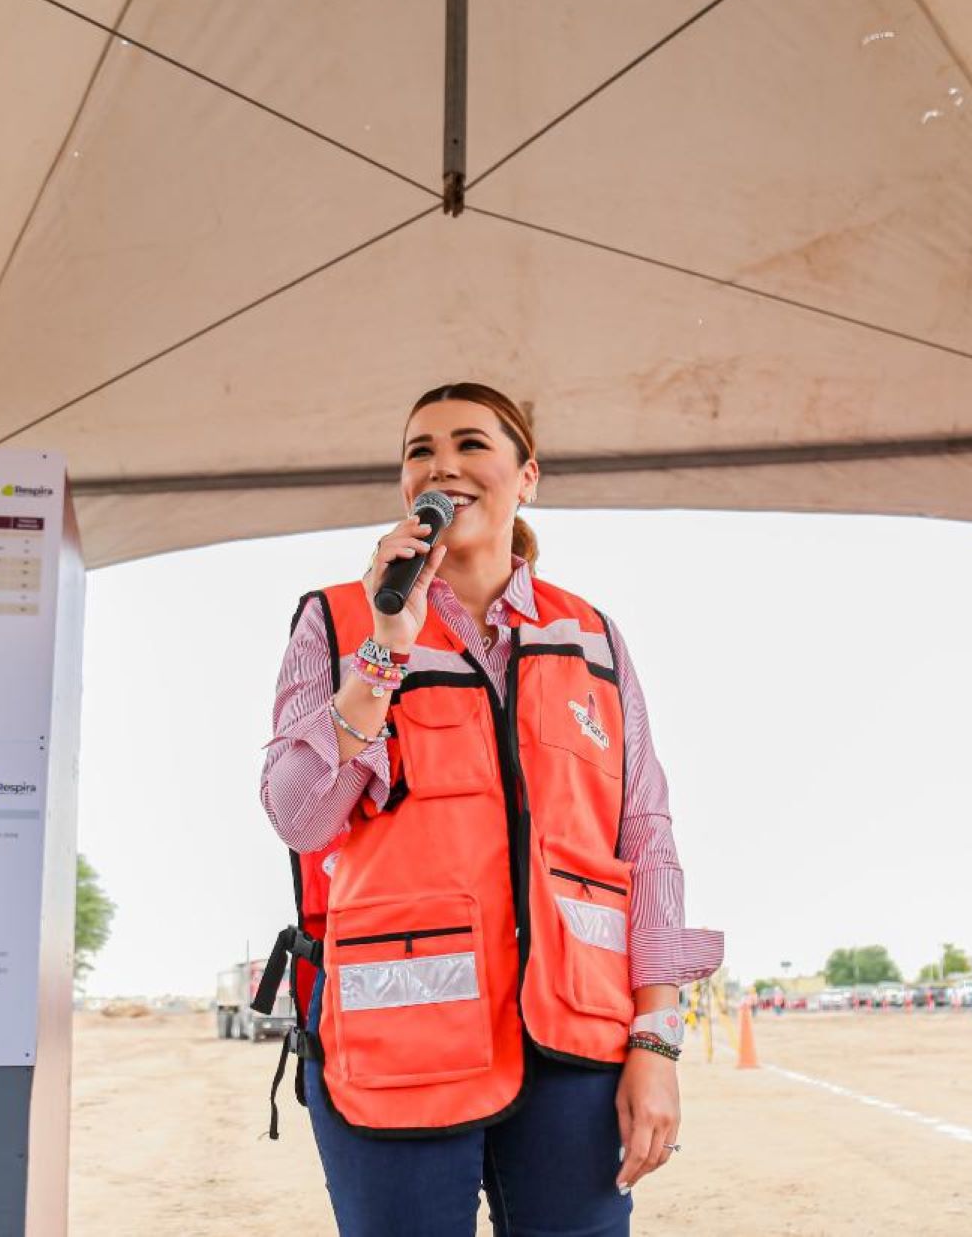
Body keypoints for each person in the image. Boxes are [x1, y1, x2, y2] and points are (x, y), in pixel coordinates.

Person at [260, 383, 723, 1235]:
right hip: (398, 1054)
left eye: (471, 444)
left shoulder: (594, 636)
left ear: (528, 476)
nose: (442, 466)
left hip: (573, 1048)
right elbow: (298, 817)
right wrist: (382, 652)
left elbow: (646, 841)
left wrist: (657, 1043)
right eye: (420, 451)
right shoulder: (338, 620)